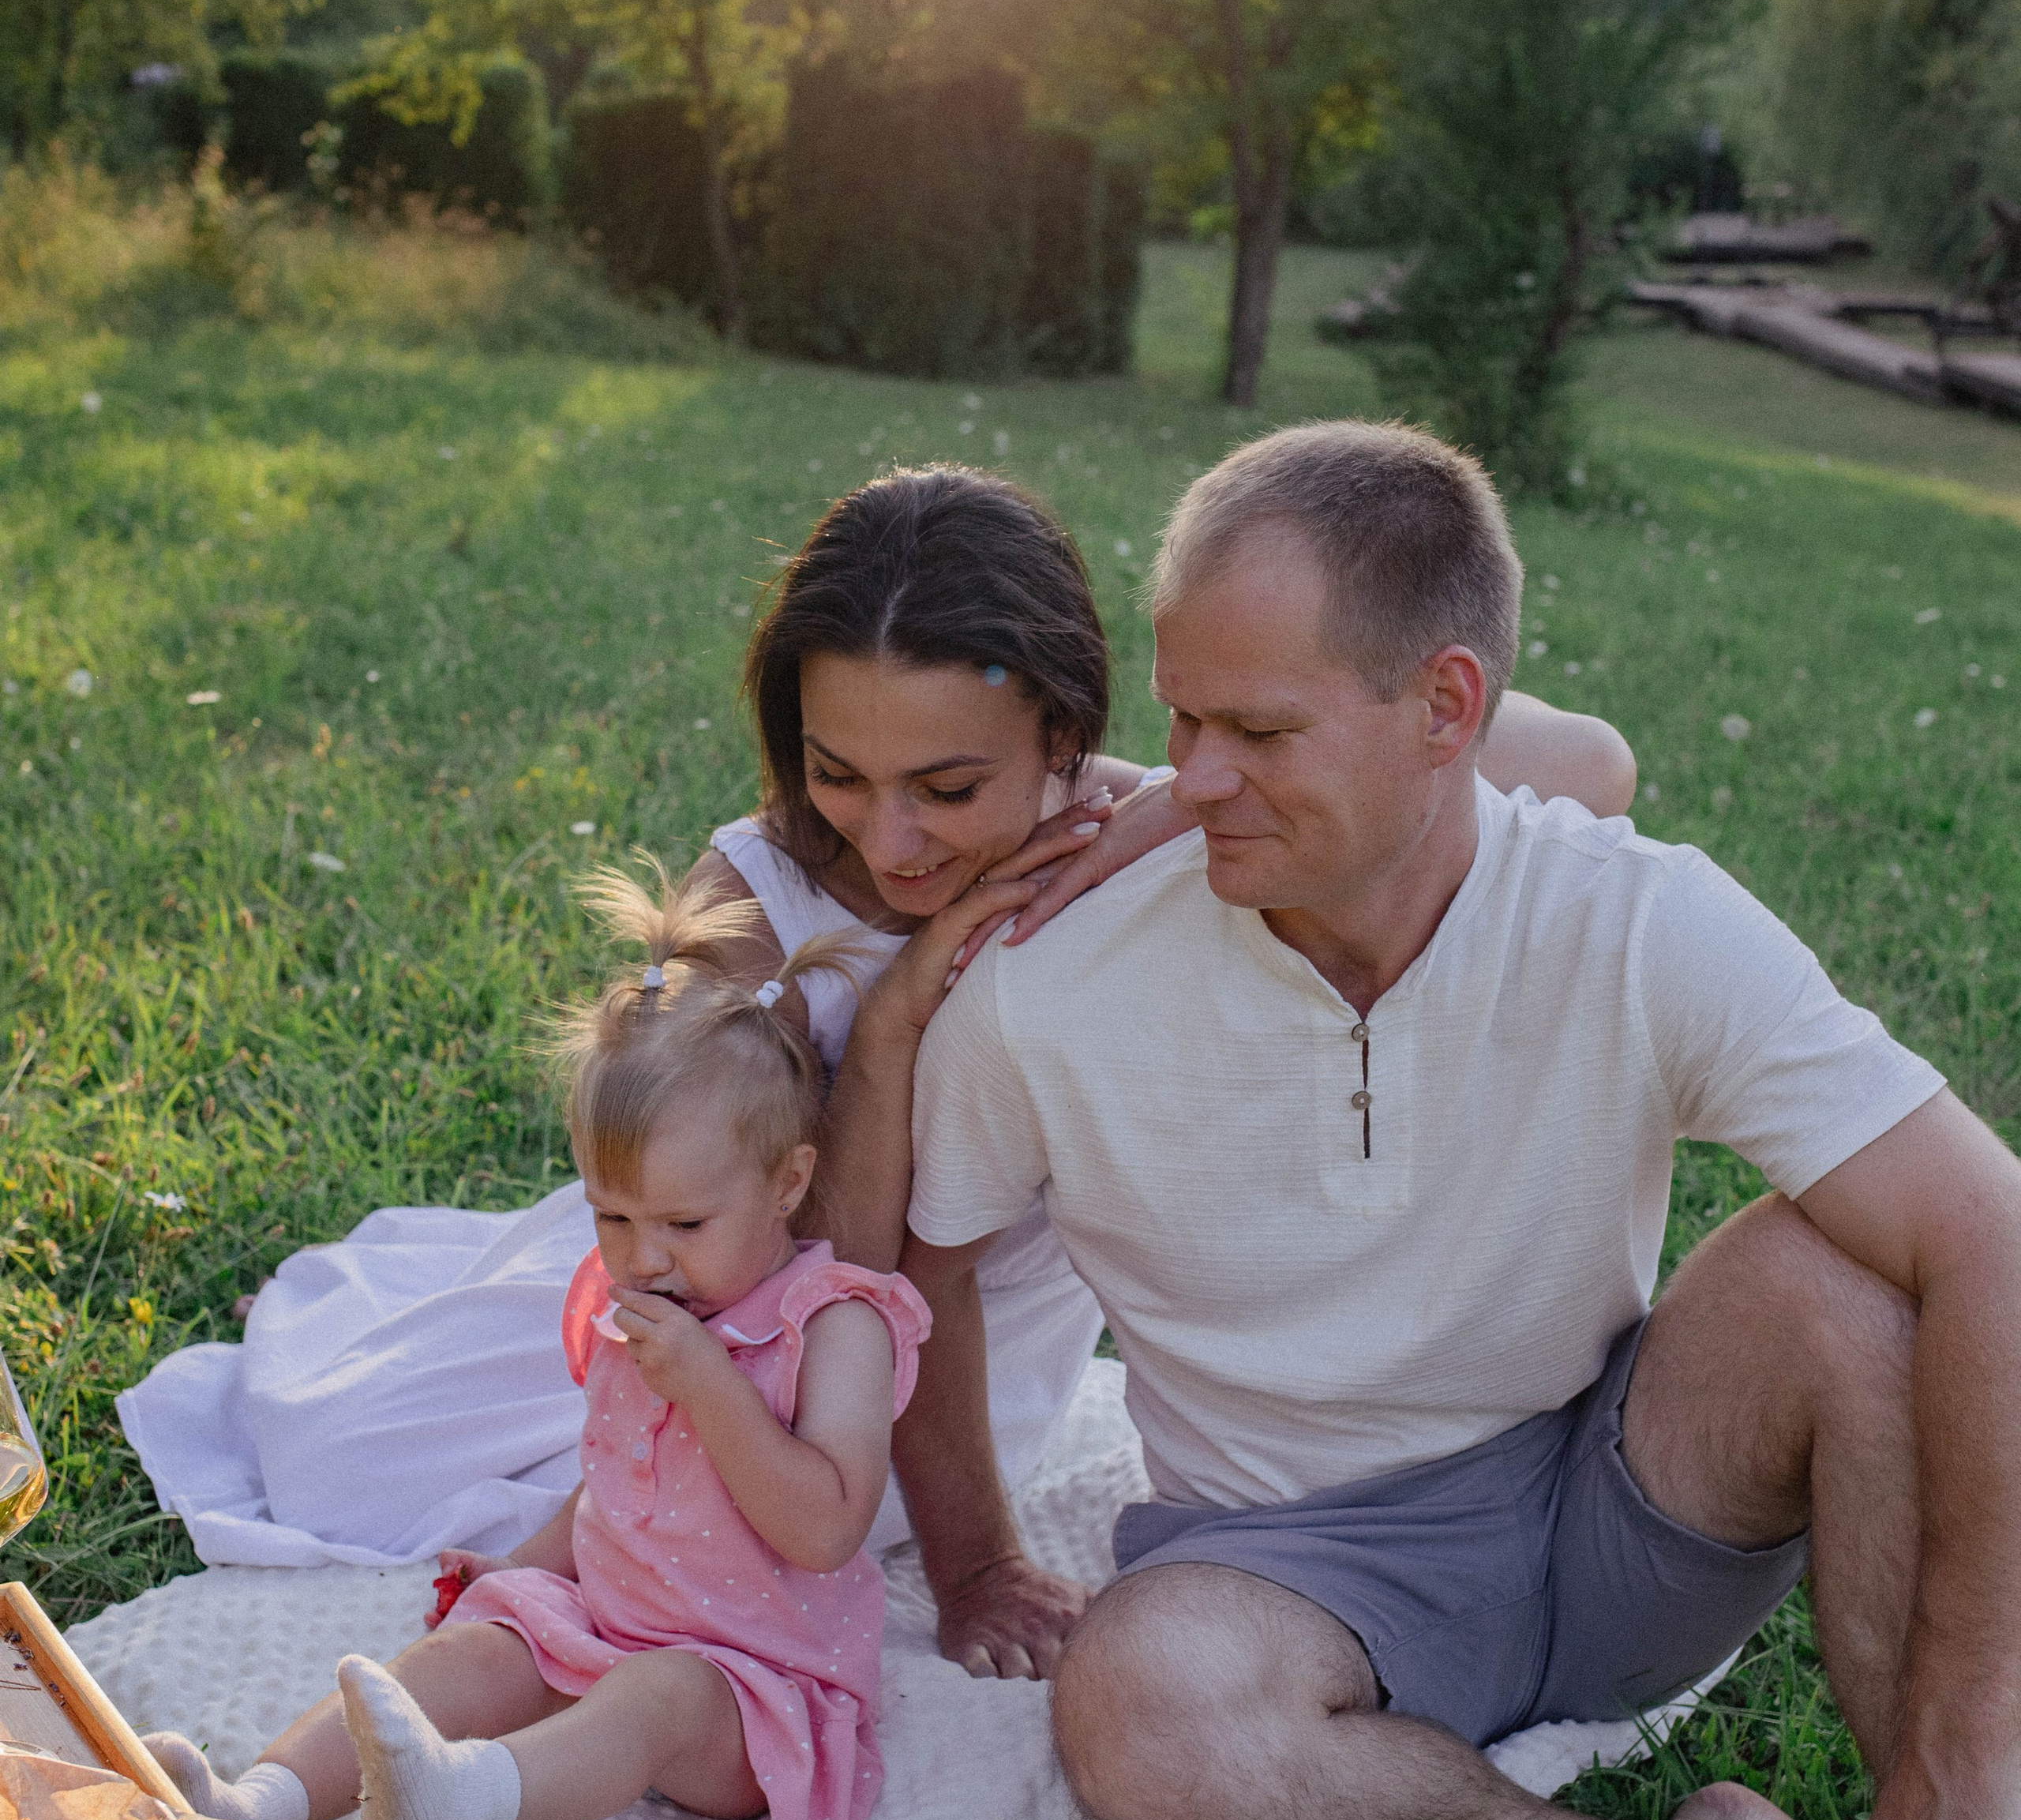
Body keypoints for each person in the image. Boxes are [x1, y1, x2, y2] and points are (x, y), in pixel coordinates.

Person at [898, 420, 2021, 1820]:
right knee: (1137, 1714)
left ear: (1444, 707)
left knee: (1850, 1273)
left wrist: (1973, 1753)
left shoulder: (1634, 919)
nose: (1184, 781)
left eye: (1256, 732)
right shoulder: (1050, 988)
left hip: (1612, 1497)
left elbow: (1989, 1236)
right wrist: (965, 1562)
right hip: (1289, 1569)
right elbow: (921, 1265)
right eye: (1177, 719)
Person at [120, 468, 1636, 1682]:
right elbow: (819, 1279)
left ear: (1062, 722)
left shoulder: (1186, 825)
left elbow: (1593, 768)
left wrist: (1180, 790)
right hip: (739, 1320)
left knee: (835, 1523)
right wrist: (905, 1010)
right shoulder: (752, 910)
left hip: (970, 1375)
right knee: (386, 1459)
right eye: (840, 773)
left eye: (951, 786)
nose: (891, 842)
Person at [150, 869, 929, 1820]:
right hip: (606, 1623)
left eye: (684, 1224)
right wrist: (525, 1567)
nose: (643, 1257)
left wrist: (710, 1385)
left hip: (750, 1688)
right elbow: (621, 1485)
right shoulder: (649, 1308)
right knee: (470, 1653)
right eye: (612, 1216)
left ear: (789, 1182)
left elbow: (825, 1528)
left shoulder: (834, 1327)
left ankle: (462, 1795)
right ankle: (259, 1806)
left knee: (657, 1697)